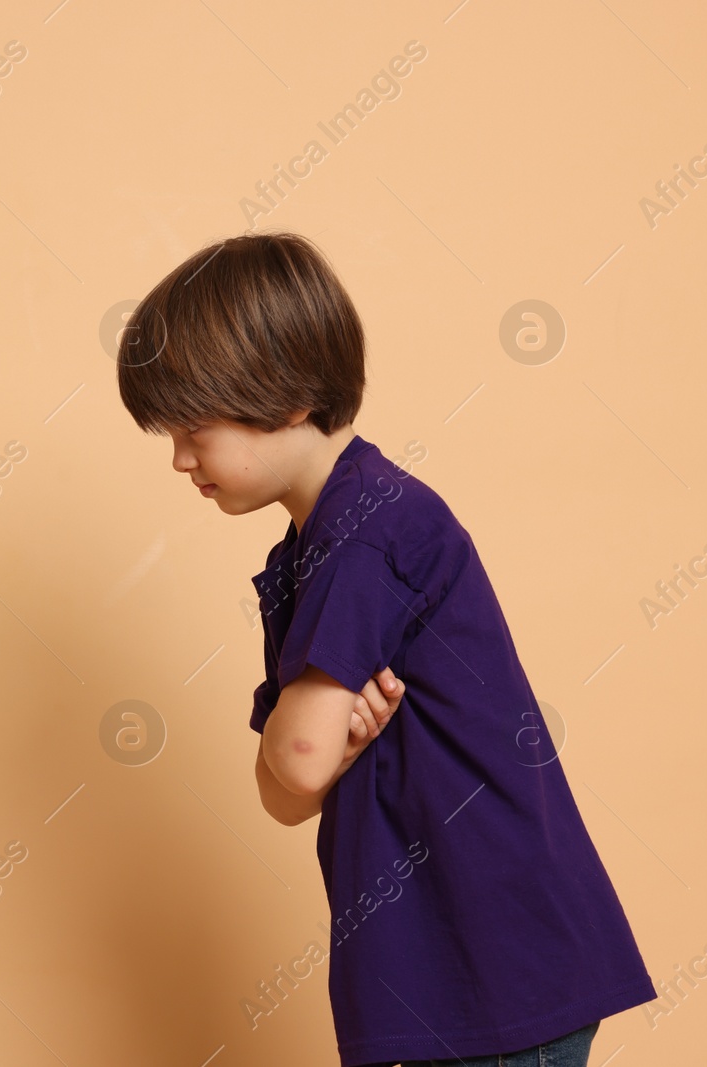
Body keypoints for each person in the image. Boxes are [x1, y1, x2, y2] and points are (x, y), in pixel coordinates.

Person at [115, 232, 655, 1067]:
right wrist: (326, 739)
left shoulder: (369, 531)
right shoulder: (312, 551)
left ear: (289, 396)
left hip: (497, 963)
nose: (181, 457)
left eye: (193, 426)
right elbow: (289, 792)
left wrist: (312, 743)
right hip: (441, 969)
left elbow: (293, 764)